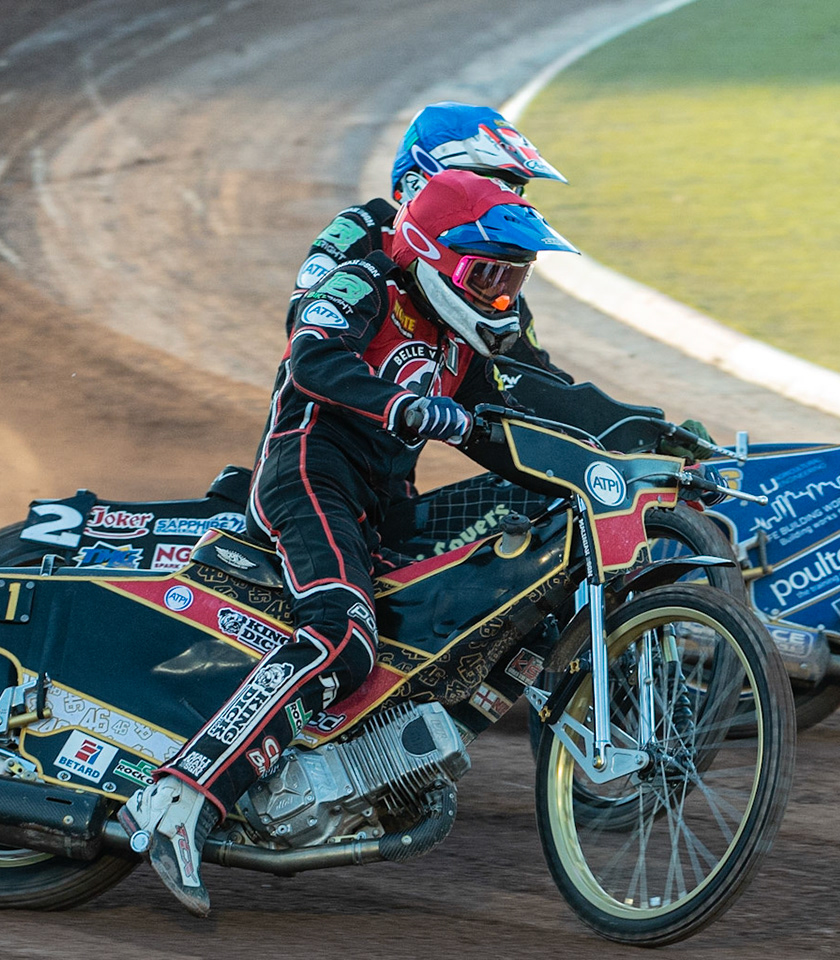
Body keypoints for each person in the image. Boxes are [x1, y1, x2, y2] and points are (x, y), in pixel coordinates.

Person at [118, 170, 578, 916]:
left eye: (512, 280)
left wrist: (639, 441)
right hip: (308, 473)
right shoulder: (367, 282)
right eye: (487, 277)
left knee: (473, 623)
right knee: (343, 636)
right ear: (433, 253)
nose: (501, 297)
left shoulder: (458, 343)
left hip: (377, 510)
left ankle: (340, 772)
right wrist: (403, 406)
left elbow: (522, 423)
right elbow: (313, 359)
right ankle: (180, 797)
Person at [288, 101, 573, 379]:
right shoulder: (364, 228)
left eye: (512, 189)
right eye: (486, 180)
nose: (498, 196)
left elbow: (534, 371)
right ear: (417, 181)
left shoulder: (490, 274)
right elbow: (305, 325)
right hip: (342, 397)